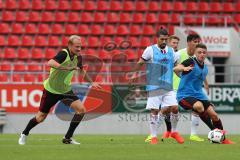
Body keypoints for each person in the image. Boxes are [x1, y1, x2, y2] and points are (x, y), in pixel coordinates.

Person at [18, 35, 101, 145]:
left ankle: (67, 138)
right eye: (77, 47)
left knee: (81, 110)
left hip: (65, 90)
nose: (79, 49)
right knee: (40, 117)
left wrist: (92, 82)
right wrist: (67, 68)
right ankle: (24, 133)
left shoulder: (78, 57)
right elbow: (50, 63)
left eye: (80, 47)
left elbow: (81, 71)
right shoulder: (64, 54)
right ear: (70, 45)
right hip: (51, 90)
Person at [130, 28, 184, 144]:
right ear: (157, 39)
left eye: (166, 39)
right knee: (154, 111)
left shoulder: (171, 52)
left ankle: (174, 132)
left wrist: (183, 74)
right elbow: (140, 62)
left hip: (168, 87)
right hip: (154, 87)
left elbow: (176, 67)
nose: (164, 41)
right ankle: (153, 137)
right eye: (162, 39)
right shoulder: (150, 50)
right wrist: (133, 74)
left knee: (175, 107)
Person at [174, 43, 234, 144]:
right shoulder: (190, 62)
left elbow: (202, 76)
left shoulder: (205, 67)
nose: (202, 54)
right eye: (199, 52)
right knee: (199, 107)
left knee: (214, 114)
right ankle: (213, 131)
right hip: (184, 95)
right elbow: (175, 69)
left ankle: (223, 139)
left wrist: (206, 84)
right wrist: (183, 69)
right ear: (195, 53)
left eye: (204, 52)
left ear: (206, 54)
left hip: (198, 95)